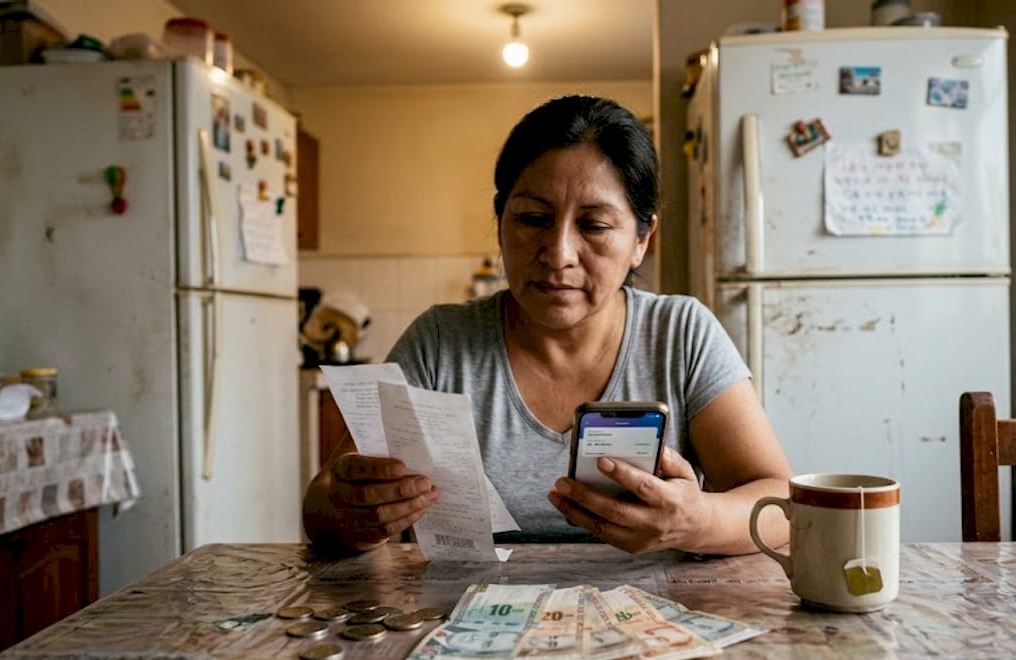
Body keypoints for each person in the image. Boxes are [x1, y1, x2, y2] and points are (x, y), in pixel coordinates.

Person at [303, 95, 792, 556]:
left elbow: (782, 508)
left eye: (595, 226)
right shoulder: (439, 344)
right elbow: (323, 505)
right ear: (500, 224)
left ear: (643, 240)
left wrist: (697, 519)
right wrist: (355, 514)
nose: (558, 255)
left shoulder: (681, 333)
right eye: (533, 218)